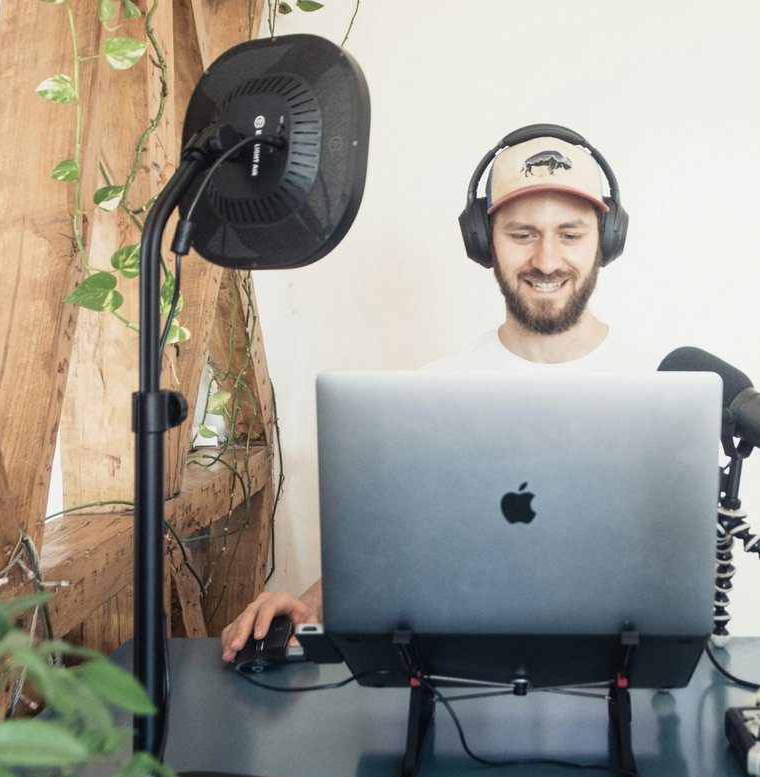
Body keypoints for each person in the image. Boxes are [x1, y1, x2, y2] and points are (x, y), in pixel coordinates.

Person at [221, 128, 654, 663]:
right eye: (522, 234)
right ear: (483, 242)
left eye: (570, 234)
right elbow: (389, 541)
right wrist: (306, 608)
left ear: (606, 241)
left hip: (621, 672)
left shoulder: (659, 389)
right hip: (460, 678)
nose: (546, 260)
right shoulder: (431, 394)